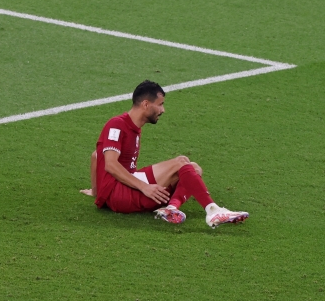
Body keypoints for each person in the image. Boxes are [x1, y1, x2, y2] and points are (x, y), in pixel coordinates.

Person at [82, 80, 249, 228]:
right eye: (160, 104)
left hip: (124, 188)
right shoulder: (117, 124)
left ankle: (171, 208)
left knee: (193, 168)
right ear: (146, 104)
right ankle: (213, 210)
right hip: (120, 194)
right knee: (180, 164)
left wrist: (97, 193)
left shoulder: (133, 127)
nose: (163, 109)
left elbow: (96, 156)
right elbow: (110, 164)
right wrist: (144, 187)